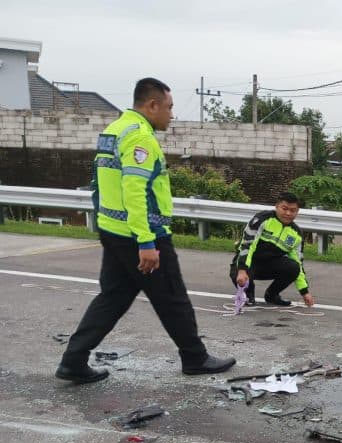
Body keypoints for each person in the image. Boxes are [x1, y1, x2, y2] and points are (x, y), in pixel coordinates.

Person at [56, 78, 236, 384]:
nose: (172, 114)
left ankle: (73, 360)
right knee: (172, 296)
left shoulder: (114, 130)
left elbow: (101, 185)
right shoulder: (141, 138)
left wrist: (110, 227)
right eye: (169, 107)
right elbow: (135, 191)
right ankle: (194, 357)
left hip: (113, 230)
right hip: (140, 234)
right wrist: (146, 241)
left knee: (112, 298)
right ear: (152, 105)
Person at [230, 192, 314, 307]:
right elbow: (247, 245)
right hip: (250, 262)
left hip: (270, 265)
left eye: (293, 210)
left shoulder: (297, 234)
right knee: (237, 272)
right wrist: (242, 270)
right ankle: (248, 295)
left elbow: (298, 263)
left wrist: (305, 292)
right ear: (277, 206)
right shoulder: (262, 219)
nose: (288, 213)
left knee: (294, 267)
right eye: (284, 209)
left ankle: (272, 295)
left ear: (297, 211)